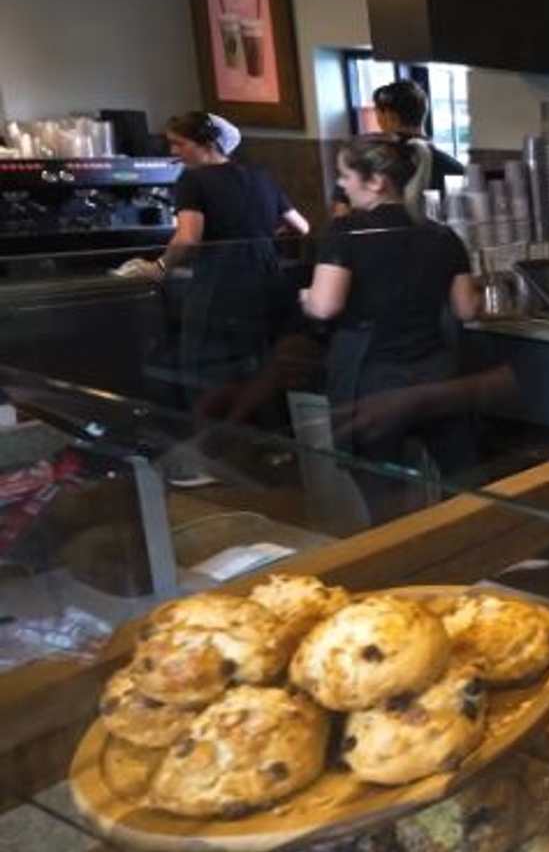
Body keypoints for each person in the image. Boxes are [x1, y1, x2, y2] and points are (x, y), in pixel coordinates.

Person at [303, 134, 480, 522]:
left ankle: (403, 574)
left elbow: (326, 304)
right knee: (464, 492)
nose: (342, 185)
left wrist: (306, 298)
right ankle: (474, 568)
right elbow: (467, 308)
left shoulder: (345, 232)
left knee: (386, 503)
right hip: (436, 374)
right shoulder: (442, 235)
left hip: (372, 382)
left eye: (346, 175)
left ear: (376, 180)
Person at [133, 111, 309, 404]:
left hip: (220, 287)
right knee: (265, 371)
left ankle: (217, 445)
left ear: (206, 143)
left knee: (209, 375)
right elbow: (302, 227)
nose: (174, 153)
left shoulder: (194, 180)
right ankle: (272, 446)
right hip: (268, 282)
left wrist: (159, 267)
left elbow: (188, 237)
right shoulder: (260, 176)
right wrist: (258, 235)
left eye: (179, 144)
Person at [330, 78, 464, 219]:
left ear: (388, 115)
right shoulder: (455, 168)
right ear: (424, 112)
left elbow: (341, 213)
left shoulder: (365, 161)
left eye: (377, 113)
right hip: (439, 240)